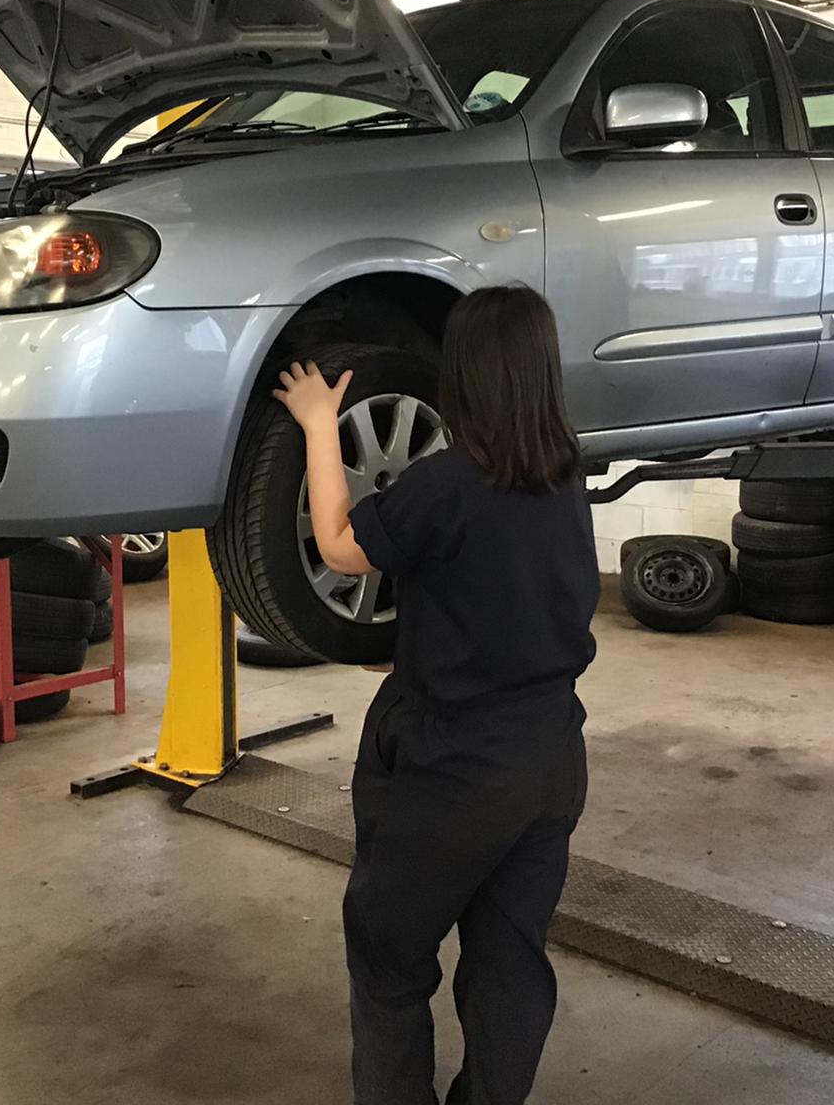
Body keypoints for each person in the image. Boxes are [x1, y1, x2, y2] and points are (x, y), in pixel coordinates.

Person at [273, 285, 600, 1105]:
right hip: (550, 756)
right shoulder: (566, 473)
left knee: (387, 961)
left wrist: (320, 426)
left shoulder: (449, 482)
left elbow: (342, 550)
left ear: (463, 375)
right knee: (510, 959)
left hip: (452, 766)